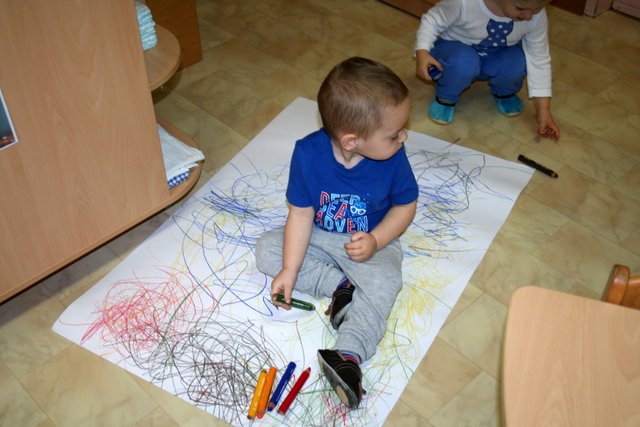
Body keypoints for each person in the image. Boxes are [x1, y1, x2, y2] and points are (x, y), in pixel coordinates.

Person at [255, 57, 419, 409]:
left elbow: (406, 206)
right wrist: (290, 270)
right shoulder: (307, 153)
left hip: (373, 241)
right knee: (268, 249)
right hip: (320, 235)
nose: (403, 137)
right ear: (351, 140)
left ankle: (348, 354)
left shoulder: (393, 158)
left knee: (385, 282)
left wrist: (377, 240)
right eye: (394, 134)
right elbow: (301, 213)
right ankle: (340, 288)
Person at [415, 0, 560, 141]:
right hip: (455, 49)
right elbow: (431, 21)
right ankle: (446, 96)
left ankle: (504, 92)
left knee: (516, 61)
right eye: (520, 8)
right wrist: (422, 52)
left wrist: (543, 110)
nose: (528, 16)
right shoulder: (463, 2)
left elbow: (538, 58)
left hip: (495, 53)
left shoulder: (534, 14)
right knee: (464, 63)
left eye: (535, 10)